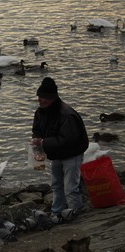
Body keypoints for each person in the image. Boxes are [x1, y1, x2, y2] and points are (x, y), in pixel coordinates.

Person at [31, 77, 89, 223]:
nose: (41, 100)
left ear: (53, 98)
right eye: (40, 96)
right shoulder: (40, 112)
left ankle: (74, 213)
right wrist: (36, 140)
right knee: (57, 185)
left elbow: (68, 139)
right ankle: (57, 212)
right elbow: (37, 129)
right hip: (56, 154)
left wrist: (44, 142)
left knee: (70, 187)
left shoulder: (66, 114)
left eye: (45, 97)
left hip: (72, 154)